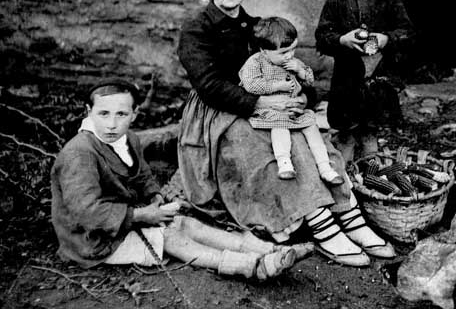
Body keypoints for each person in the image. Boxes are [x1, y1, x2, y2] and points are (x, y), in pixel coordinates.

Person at [177, 0, 394, 267]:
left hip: (271, 99)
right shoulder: (197, 27)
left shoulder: (256, 27)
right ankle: (321, 223)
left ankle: (348, 215)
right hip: (218, 109)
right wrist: (260, 103)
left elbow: (287, 68)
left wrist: (303, 98)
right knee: (270, 148)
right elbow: (208, 84)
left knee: (310, 138)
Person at [50, 80, 298, 280]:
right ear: (88, 111)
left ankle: (269, 250)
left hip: (120, 220)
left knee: (185, 224)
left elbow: (143, 176)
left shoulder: (129, 139)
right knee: (170, 237)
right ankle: (250, 266)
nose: (112, 124)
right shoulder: (80, 153)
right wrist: (141, 216)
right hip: (92, 240)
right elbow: (85, 212)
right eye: (103, 113)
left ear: (135, 114)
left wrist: (154, 196)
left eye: (121, 114)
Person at [315, 0, 416, 162]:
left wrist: (386, 39)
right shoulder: (336, 0)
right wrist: (342, 40)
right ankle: (345, 171)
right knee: (345, 134)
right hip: (347, 76)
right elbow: (322, 37)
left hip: (378, 75)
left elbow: (407, 32)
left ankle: (369, 168)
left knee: (371, 131)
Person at [239, 16, 343, 185]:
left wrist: (300, 71)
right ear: (264, 50)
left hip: (294, 108)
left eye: (293, 49)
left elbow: (309, 81)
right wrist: (277, 86)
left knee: (312, 127)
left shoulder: (293, 62)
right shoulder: (255, 62)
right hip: (271, 109)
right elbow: (251, 85)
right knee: (280, 127)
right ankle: (284, 163)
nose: (289, 56)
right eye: (283, 53)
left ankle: (325, 167)